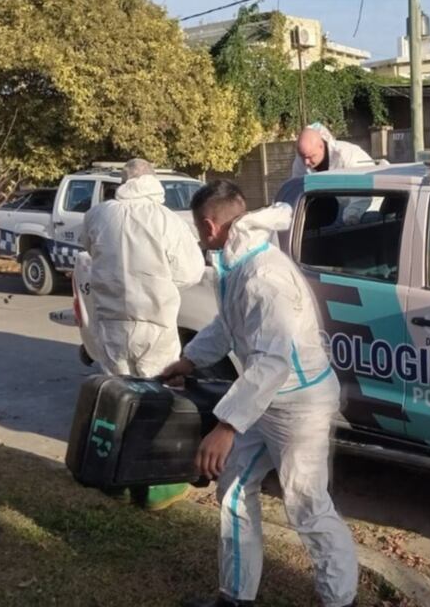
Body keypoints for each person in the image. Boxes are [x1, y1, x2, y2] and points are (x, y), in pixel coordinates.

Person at [163, 180, 358, 607]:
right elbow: (229, 326)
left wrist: (227, 426)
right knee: (233, 489)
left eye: (199, 229)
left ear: (210, 225)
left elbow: (273, 361)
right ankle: (235, 597)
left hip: (299, 404)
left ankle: (341, 600)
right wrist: (190, 359)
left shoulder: (263, 276)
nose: (199, 237)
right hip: (266, 398)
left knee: (306, 504)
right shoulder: (239, 265)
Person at [82, 158, 205, 510]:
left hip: (111, 322)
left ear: (122, 181)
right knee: (156, 402)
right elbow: (191, 271)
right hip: (154, 322)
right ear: (153, 181)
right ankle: (154, 488)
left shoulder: (99, 214)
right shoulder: (166, 220)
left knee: (117, 401)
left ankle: (114, 479)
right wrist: (159, 284)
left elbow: (90, 250)